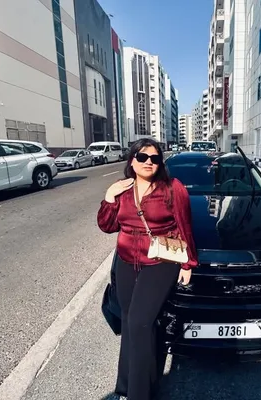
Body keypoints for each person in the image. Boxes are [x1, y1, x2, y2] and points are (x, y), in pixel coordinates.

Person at [97, 138, 198, 400]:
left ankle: (139, 394)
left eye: (154, 158)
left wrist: (188, 263)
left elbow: (185, 226)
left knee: (140, 322)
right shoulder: (123, 189)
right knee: (129, 322)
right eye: (142, 157)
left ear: (160, 162)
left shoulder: (172, 188)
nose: (148, 162)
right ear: (132, 160)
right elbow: (107, 226)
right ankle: (126, 385)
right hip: (126, 260)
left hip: (160, 262)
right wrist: (109, 196)